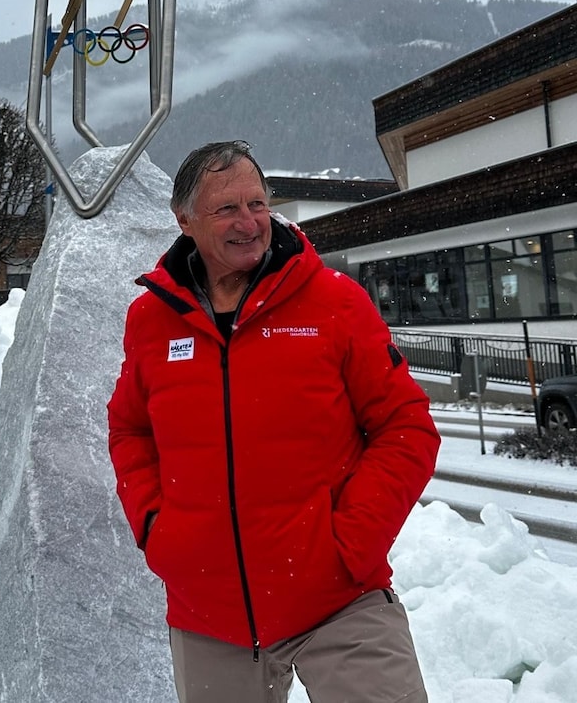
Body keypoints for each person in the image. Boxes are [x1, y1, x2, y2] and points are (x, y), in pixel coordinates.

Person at [107, 140, 441, 703]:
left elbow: (407, 425)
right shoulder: (152, 320)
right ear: (184, 220)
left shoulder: (334, 302)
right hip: (209, 616)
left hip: (339, 601)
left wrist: (350, 540)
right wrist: (158, 532)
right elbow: (130, 430)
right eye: (227, 209)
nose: (249, 222)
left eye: (257, 204)